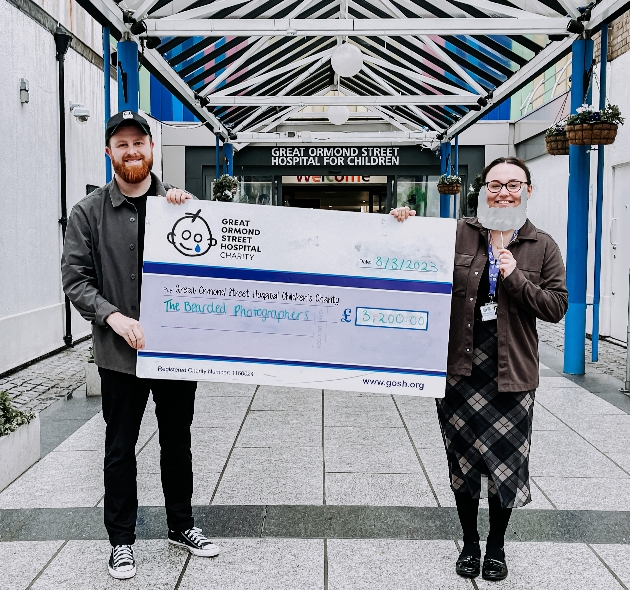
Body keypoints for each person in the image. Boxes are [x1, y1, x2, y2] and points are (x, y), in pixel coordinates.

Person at [391, 157, 567, 582]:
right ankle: (470, 542)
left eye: (513, 184)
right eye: (494, 183)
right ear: (481, 188)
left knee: (506, 465)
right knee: (463, 462)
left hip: (512, 373)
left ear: (527, 190)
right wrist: (403, 225)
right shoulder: (457, 233)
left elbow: (556, 307)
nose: (503, 191)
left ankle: (497, 548)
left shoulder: (541, 245)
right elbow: (409, 260)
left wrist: (514, 278)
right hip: (459, 369)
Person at [62, 111, 220, 580]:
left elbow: (210, 271)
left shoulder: (182, 207)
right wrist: (113, 316)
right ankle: (121, 541)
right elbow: (76, 279)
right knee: (119, 446)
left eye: (139, 143)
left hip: (173, 352)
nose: (132, 151)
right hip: (118, 354)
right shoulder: (87, 213)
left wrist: (192, 211)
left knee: (177, 442)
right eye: (122, 144)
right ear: (109, 152)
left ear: (153, 149)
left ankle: (181, 525)